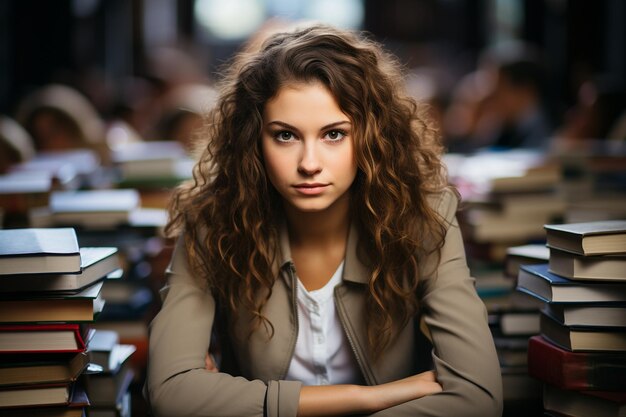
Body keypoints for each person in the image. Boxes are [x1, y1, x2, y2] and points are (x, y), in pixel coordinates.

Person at [145, 24, 502, 417]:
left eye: (334, 134)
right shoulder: (213, 221)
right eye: (285, 136)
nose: (309, 164)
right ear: (253, 142)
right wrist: (366, 398)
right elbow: (170, 392)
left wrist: (228, 397)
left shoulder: (422, 216)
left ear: (369, 136)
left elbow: (478, 397)